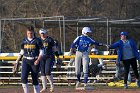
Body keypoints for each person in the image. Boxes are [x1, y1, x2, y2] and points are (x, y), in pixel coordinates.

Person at [13, 26, 44, 93]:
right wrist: (17, 61)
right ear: (26, 33)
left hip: (34, 61)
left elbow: (42, 51)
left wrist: (38, 60)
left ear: (33, 33)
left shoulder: (37, 40)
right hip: (26, 60)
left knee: (35, 79)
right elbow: (22, 51)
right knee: (23, 78)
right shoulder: (24, 41)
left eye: (31, 33)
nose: (30, 34)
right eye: (28, 33)